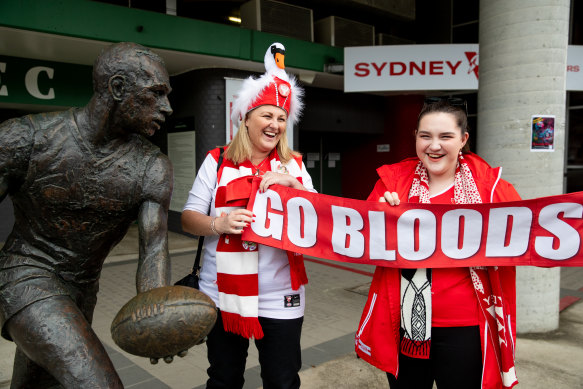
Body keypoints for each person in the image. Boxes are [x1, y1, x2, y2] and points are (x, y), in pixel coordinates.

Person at [0, 42, 174, 388]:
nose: (167, 107)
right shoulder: (28, 137)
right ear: (118, 88)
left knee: (40, 383)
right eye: (156, 94)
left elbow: (154, 247)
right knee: (98, 383)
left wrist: (156, 312)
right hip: (25, 272)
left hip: (82, 290)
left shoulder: (152, 167)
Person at [354, 98, 520, 389]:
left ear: (463, 139)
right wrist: (382, 214)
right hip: (407, 324)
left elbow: (524, 236)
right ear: (415, 138)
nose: (434, 146)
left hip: (465, 328)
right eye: (425, 136)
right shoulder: (393, 183)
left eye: (445, 137)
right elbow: (362, 237)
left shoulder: (490, 188)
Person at [181, 42, 314, 389]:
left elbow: (319, 221)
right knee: (224, 378)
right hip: (223, 292)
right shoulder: (217, 160)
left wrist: (293, 184)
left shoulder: (295, 166)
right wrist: (218, 224)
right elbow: (188, 218)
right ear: (246, 118)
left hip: (281, 295)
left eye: (282, 118)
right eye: (267, 115)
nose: (275, 124)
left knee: (282, 380)